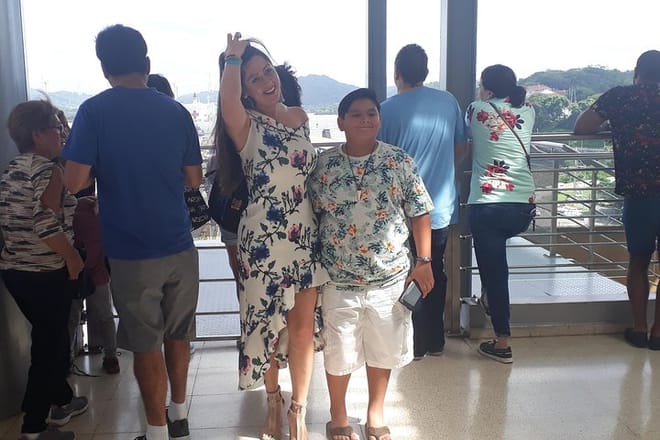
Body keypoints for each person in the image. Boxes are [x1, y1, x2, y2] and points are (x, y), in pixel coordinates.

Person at [61, 24, 203, 440]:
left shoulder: (93, 111)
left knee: (146, 343)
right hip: (180, 244)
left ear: (104, 68)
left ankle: (156, 433)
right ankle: (179, 415)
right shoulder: (176, 112)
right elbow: (194, 179)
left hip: (130, 250)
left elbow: (74, 182)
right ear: (147, 63)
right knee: (178, 335)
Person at [215, 32, 329, 440]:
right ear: (244, 90)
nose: (267, 81)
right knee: (264, 328)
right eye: (255, 78)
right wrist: (232, 59)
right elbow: (227, 101)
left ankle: (298, 411)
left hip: (305, 238)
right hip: (262, 243)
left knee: (301, 330)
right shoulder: (244, 125)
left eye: (268, 71)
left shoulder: (298, 116)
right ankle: (273, 400)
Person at [309, 88, 434, 440]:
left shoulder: (399, 161)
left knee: (384, 349)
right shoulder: (323, 166)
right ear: (341, 122)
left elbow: (420, 211)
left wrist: (424, 261)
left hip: (389, 277)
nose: (365, 120)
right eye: (356, 114)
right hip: (337, 278)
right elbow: (311, 217)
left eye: (371, 113)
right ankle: (338, 415)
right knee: (339, 350)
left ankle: (375, 413)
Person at [1, 100, 88, 440]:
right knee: (48, 348)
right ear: (37, 135)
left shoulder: (14, 168)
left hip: (15, 270)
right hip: (46, 272)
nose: (61, 133)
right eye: (55, 127)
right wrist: (73, 258)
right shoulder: (49, 170)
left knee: (52, 338)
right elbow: (44, 222)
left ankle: (62, 400)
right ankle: (34, 427)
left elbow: (27, 212)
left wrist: (75, 204)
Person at [377, 43, 468, 360]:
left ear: (396, 73)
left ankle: (414, 343)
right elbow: (461, 147)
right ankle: (436, 339)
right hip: (440, 207)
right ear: (426, 72)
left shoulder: (385, 111)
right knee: (435, 269)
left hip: (401, 212)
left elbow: (380, 162)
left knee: (406, 271)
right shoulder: (448, 102)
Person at [574, 50, 660, 350]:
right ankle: (659, 333)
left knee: (638, 262)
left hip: (638, 195)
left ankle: (639, 328)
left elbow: (582, 127)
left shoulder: (620, 97)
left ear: (637, 73)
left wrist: (615, 127)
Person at [465, 64, 536, 363]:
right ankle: (489, 300)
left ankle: (503, 342)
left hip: (489, 204)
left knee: (495, 274)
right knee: (495, 273)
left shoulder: (476, 109)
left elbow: (467, 135)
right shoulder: (529, 109)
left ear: (488, 89)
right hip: (523, 205)